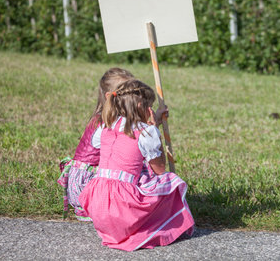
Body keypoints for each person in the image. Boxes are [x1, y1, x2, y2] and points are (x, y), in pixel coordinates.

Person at [79, 79, 194, 251]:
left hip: (99, 204)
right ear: (142, 105)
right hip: (122, 209)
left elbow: (126, 135)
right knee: (170, 181)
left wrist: (154, 123)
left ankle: (115, 230)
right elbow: (159, 169)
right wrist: (157, 135)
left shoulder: (104, 127)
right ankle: (163, 223)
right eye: (151, 106)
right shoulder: (147, 132)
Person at [57, 68, 167, 220]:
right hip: (88, 187)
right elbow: (141, 141)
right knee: (142, 167)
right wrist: (153, 129)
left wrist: (156, 122)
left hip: (83, 184)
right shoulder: (108, 123)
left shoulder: (105, 119)